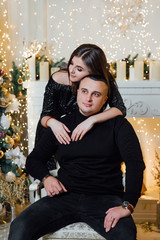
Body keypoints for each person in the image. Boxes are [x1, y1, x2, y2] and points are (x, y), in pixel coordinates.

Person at [8, 75, 145, 240]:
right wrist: (46, 178)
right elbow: (33, 160)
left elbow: (135, 164)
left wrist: (127, 205)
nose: (88, 98)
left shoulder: (119, 125)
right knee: (19, 226)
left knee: (126, 234)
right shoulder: (61, 125)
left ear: (105, 100)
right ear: (77, 93)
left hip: (106, 200)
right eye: (84, 91)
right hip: (64, 198)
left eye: (96, 94)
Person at [35, 43, 126, 147]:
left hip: (85, 133)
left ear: (94, 72)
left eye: (79, 69)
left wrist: (91, 120)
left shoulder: (103, 81)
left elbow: (120, 109)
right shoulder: (58, 79)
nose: (71, 71)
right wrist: (53, 123)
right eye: (71, 63)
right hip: (54, 132)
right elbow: (44, 117)